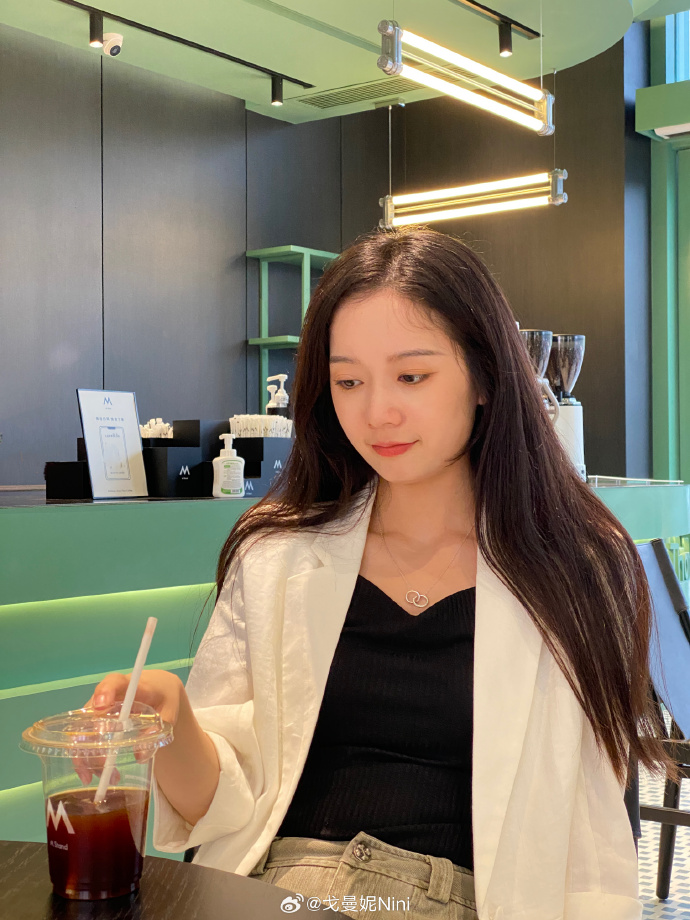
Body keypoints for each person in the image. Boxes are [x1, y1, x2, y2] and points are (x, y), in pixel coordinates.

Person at [84, 228, 674, 920]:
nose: (376, 413)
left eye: (411, 377)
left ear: (485, 377)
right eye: (348, 381)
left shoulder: (576, 570)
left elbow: (595, 837)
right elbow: (222, 808)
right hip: (278, 891)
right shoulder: (277, 555)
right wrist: (173, 722)